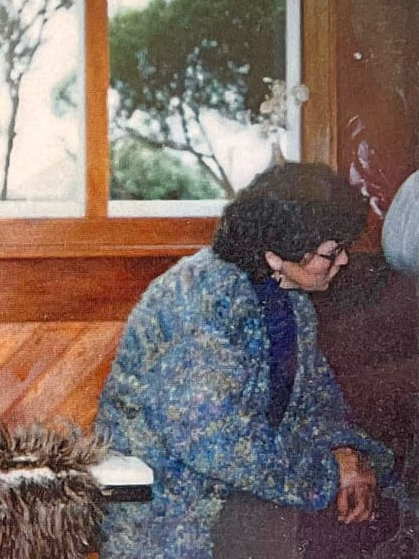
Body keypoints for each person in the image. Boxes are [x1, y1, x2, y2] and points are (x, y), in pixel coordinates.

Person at [95, 162, 398, 558]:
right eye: (331, 251)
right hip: (168, 513)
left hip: (236, 495)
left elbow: (318, 404)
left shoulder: (292, 303)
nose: (342, 261)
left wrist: (349, 454)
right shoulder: (198, 298)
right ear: (275, 253)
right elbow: (215, 443)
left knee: (379, 517)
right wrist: (329, 473)